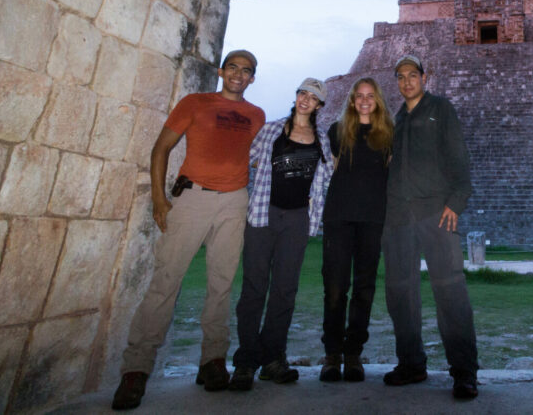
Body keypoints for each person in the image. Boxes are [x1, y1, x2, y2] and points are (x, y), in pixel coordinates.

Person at [112, 50, 265, 411]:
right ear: (221, 71)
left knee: (221, 283)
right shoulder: (195, 103)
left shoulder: (256, 115)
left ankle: (212, 361)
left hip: (234, 201)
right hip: (193, 197)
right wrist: (159, 198)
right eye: (233, 68)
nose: (238, 75)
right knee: (167, 281)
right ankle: (136, 369)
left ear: (253, 78)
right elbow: (161, 147)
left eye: (246, 71)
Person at [382, 54, 479, 399]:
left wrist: (456, 201)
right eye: (401, 76)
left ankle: (464, 372)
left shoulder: (440, 108)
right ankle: (412, 363)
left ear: (424, 77)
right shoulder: (397, 119)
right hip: (397, 218)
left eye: (412, 75)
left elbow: (459, 158)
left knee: (450, 291)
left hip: (436, 213)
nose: (407, 81)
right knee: (400, 293)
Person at [229, 78, 334, 391]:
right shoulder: (273, 130)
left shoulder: (320, 139)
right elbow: (247, 159)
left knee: (285, 290)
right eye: (302, 93)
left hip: (297, 220)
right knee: (253, 288)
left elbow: (326, 177)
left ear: (319, 106)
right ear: (297, 97)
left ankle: (273, 358)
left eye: (312, 97)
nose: (305, 99)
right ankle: (247, 361)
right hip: (264, 214)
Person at [318, 78, 394, 382]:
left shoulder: (387, 134)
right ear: (351, 100)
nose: (364, 101)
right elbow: (331, 170)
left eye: (370, 96)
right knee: (335, 288)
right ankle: (332, 353)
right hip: (339, 217)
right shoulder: (337, 132)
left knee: (364, 289)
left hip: (372, 219)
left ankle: (353, 354)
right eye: (359, 96)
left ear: (377, 101)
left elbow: (387, 172)